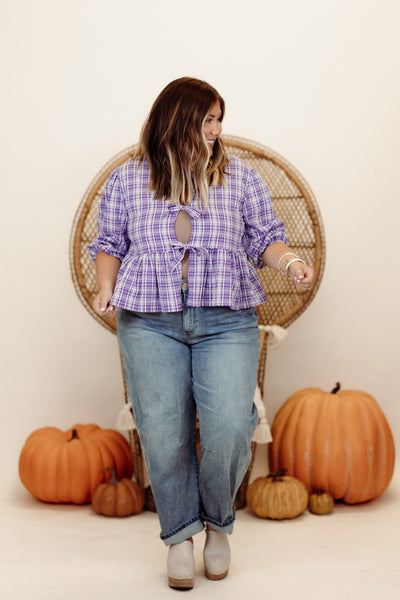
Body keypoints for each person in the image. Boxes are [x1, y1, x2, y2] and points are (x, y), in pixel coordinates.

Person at [88, 77, 314, 589]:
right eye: (207, 118)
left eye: (218, 120)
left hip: (226, 320)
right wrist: (105, 288)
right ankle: (179, 537)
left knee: (230, 427)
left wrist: (292, 261)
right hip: (149, 321)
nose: (215, 130)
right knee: (163, 431)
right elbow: (110, 243)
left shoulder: (242, 179)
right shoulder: (128, 180)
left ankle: (218, 525)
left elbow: (267, 240)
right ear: (176, 119)